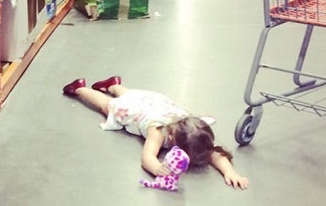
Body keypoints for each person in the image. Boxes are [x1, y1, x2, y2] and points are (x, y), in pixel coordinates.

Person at [62, 76, 250, 189]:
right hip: (135, 109)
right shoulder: (158, 131)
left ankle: (113, 84)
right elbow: (147, 156)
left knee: (129, 93)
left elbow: (214, 154)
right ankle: (79, 88)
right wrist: (158, 169)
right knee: (108, 105)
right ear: (173, 141)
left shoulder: (192, 128)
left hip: (152, 100)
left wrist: (230, 172)